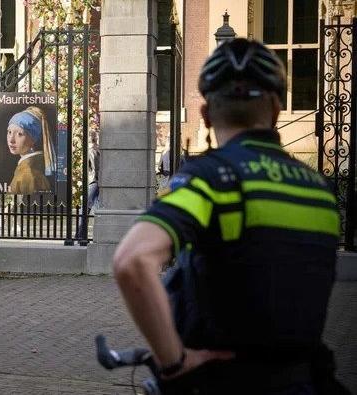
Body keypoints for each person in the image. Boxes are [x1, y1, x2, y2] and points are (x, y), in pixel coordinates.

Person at [113, 38, 346, 395]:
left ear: (206, 114)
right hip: (305, 381)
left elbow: (132, 260)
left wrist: (174, 362)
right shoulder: (320, 191)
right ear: (276, 109)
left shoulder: (211, 178)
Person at [6, 106, 56, 195]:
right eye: (9, 132)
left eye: (19, 134)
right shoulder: (29, 167)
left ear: (34, 138)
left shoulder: (29, 173)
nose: (11, 140)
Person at [75, 131, 100, 240]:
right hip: (99, 182)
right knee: (98, 208)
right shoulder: (99, 150)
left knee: (85, 208)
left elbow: (91, 168)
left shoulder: (90, 151)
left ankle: (80, 235)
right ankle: (95, 234)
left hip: (92, 181)